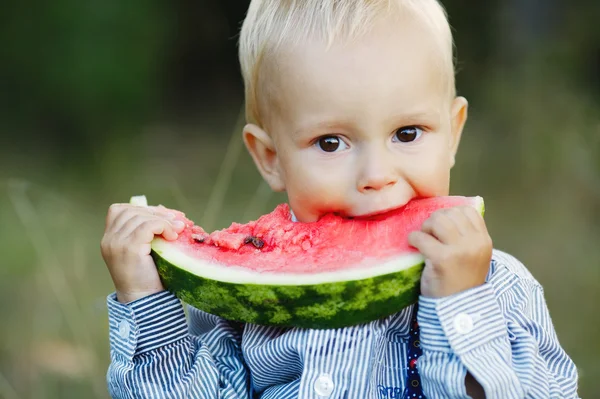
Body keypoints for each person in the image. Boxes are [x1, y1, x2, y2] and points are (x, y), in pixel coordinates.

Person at [100, 0, 579, 397]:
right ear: (270, 158)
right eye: (331, 143)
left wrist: (461, 304)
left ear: (452, 133)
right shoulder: (243, 304)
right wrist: (145, 299)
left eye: (407, 133)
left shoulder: (503, 289)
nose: (376, 176)